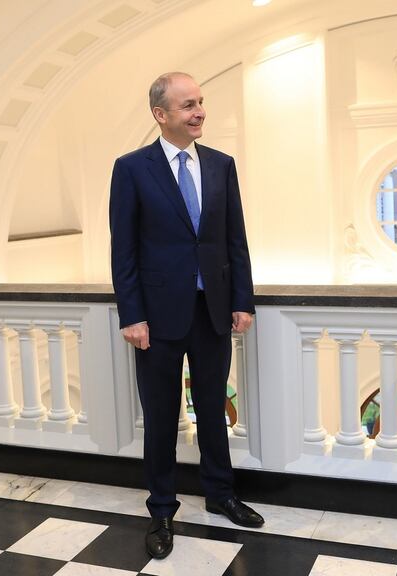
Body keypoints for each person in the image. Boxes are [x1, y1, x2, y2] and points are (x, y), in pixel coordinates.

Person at [109, 72, 263, 559]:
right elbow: (124, 249)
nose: (199, 112)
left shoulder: (221, 165)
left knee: (213, 409)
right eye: (187, 105)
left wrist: (243, 299)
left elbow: (233, 237)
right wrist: (131, 314)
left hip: (212, 310)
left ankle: (221, 495)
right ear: (161, 115)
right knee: (159, 417)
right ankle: (161, 508)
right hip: (154, 316)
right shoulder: (132, 168)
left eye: (200, 103)